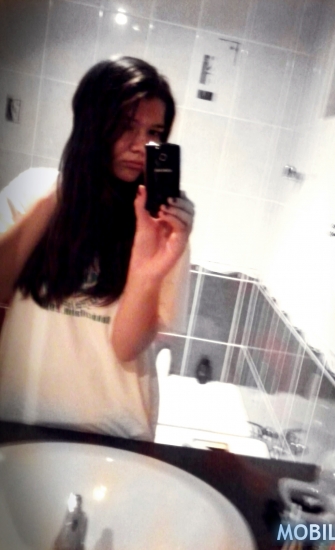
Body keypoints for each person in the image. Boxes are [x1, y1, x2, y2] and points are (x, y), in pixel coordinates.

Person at [0, 56, 194, 440]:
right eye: (125, 126)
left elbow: (126, 346)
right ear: (91, 124)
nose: (141, 146)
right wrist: (62, 192)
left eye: (154, 132)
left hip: (114, 434)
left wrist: (151, 265)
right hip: (22, 423)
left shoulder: (163, 228)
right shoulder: (34, 193)